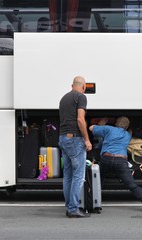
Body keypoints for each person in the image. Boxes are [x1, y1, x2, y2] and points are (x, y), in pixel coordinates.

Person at [89, 117, 142, 211]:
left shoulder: (109, 129)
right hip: (121, 161)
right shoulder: (128, 135)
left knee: (98, 181)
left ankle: (92, 202)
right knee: (132, 185)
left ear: (116, 123)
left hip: (106, 158)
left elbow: (91, 128)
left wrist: (101, 124)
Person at [58, 76, 92, 218]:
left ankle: (69, 206)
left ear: (72, 85)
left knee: (68, 175)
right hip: (75, 139)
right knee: (78, 176)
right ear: (83, 86)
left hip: (63, 138)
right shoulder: (81, 97)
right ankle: (73, 209)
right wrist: (87, 139)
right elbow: (80, 119)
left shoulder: (64, 98)